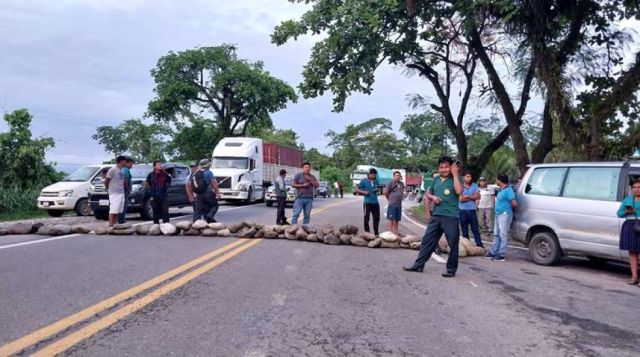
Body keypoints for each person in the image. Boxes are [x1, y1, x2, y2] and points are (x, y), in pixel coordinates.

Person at [404, 156, 463, 278]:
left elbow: (458, 191)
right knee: (427, 241)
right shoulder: (436, 179)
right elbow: (427, 193)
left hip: (451, 216)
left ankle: (451, 270)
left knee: (453, 244)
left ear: (451, 167)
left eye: (447, 166)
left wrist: (455, 174)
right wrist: (432, 198)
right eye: (441, 167)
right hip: (436, 215)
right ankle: (418, 265)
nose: (444, 169)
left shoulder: (457, 179)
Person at [486, 174, 518, 261]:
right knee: (496, 234)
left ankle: (501, 254)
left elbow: (514, 203)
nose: (496, 181)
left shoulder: (508, 190)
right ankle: (493, 252)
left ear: (500, 180)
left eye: (497, 179)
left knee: (503, 234)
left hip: (504, 214)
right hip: (498, 214)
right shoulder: (501, 189)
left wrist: (508, 211)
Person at [617, 179, 640, 285]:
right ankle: (634, 277)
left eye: (639, 187)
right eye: (634, 187)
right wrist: (626, 211)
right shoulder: (627, 200)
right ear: (632, 189)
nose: (637, 189)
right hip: (630, 225)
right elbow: (619, 213)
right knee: (632, 251)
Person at [191, 159, 220, 223]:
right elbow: (214, 183)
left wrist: (191, 195)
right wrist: (217, 193)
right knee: (215, 205)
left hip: (198, 194)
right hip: (208, 193)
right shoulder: (209, 173)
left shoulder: (195, 173)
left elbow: (190, 184)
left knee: (198, 210)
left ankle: (195, 224)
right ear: (207, 165)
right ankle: (209, 216)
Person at [459, 171, 483, 247]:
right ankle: (467, 245)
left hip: (472, 210)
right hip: (462, 211)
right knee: (464, 230)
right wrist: (472, 197)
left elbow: (478, 197)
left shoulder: (474, 185)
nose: (469, 178)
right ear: (463, 177)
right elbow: (461, 199)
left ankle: (479, 244)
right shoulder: (460, 186)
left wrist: (468, 197)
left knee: (475, 229)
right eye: (467, 177)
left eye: (470, 177)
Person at [355, 168, 381, 236]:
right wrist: (364, 192)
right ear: (368, 174)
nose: (373, 176)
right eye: (372, 175)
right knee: (367, 218)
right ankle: (367, 233)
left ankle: (376, 233)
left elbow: (378, 188)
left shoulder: (376, 181)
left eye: (374, 175)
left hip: (375, 202)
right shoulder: (364, 181)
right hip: (367, 203)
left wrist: (377, 190)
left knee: (376, 218)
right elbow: (356, 189)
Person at [105, 156, 128, 228]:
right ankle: (110, 224)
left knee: (118, 209)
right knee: (113, 209)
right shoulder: (112, 170)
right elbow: (107, 180)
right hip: (114, 192)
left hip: (121, 192)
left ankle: (115, 224)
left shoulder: (122, 170)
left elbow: (123, 181)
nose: (125, 162)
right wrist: (107, 188)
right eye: (125, 161)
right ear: (121, 161)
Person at [385, 171, 405, 236]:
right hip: (392, 204)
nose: (398, 177)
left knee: (397, 219)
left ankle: (396, 232)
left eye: (399, 176)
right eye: (396, 176)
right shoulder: (390, 183)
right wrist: (389, 199)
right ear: (393, 176)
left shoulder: (401, 184)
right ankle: (390, 233)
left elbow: (402, 192)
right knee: (391, 219)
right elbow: (386, 193)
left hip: (399, 204)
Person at [117, 157, 134, 224]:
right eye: (131, 164)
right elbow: (125, 179)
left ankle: (121, 219)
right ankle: (121, 220)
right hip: (124, 190)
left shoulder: (122, 169)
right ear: (127, 163)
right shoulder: (125, 170)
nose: (131, 165)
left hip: (122, 190)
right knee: (123, 205)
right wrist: (126, 188)